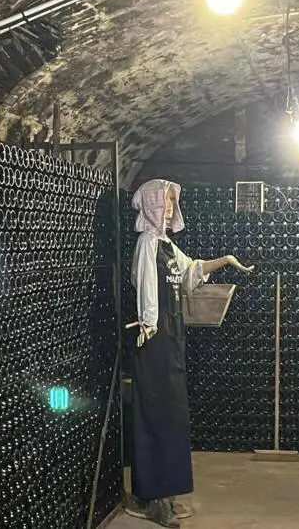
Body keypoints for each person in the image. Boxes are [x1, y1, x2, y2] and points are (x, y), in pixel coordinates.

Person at [125, 179, 253, 527]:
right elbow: (145, 286)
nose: (169, 208)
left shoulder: (166, 245)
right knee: (156, 414)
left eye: (172, 202)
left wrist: (224, 260)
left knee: (173, 414)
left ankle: (165, 490)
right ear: (152, 204)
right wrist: (149, 325)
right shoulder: (147, 243)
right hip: (153, 339)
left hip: (171, 337)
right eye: (164, 201)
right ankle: (154, 496)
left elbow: (191, 270)